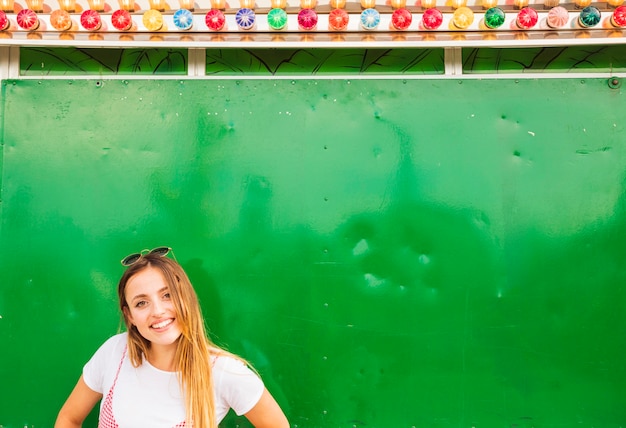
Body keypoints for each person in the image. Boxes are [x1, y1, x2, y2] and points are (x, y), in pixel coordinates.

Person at [55, 247, 289, 428]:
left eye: (167, 295)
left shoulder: (223, 371)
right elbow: (69, 417)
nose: (157, 311)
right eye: (142, 303)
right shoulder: (114, 352)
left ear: (186, 298)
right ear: (130, 315)